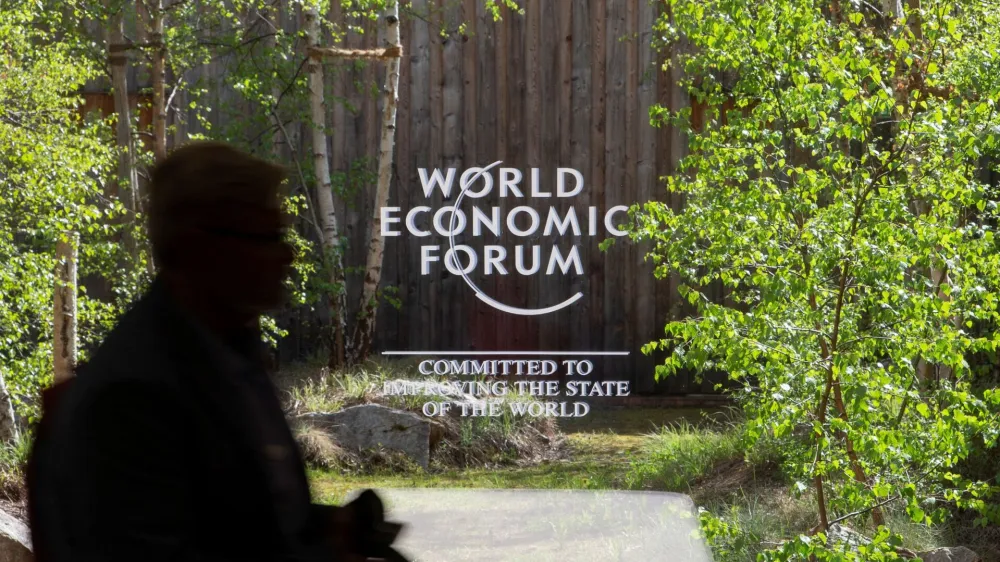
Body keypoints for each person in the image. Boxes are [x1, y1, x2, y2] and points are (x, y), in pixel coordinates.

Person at [27, 141, 403, 562]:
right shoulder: (133, 398)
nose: (289, 255)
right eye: (267, 237)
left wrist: (331, 528)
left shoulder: (227, 352)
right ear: (200, 245)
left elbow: (235, 517)